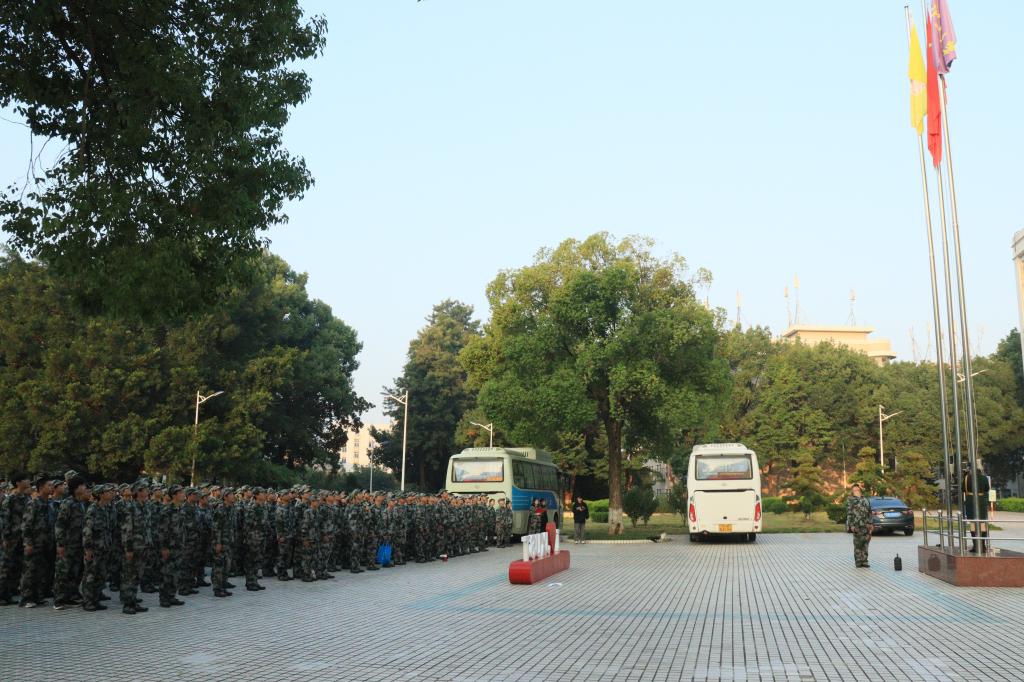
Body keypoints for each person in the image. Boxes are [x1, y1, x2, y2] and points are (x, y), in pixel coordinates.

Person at [962, 465, 991, 553]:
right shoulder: (984, 478)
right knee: (982, 523)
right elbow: (987, 488)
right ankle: (983, 546)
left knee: (973, 523)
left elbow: (963, 489)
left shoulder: (967, 478)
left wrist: (965, 476)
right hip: (981, 501)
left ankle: (976, 546)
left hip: (971, 502)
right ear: (980, 471)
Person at [845, 484, 872, 568]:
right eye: (854, 490)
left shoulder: (866, 499)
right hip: (857, 525)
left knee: (865, 544)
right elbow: (849, 513)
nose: (856, 490)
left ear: (860, 490)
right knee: (858, 544)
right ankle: (858, 561)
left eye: (857, 489)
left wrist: (871, 523)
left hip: (866, 525)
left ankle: (865, 561)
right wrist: (851, 525)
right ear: (852, 491)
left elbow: (869, 512)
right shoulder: (850, 500)